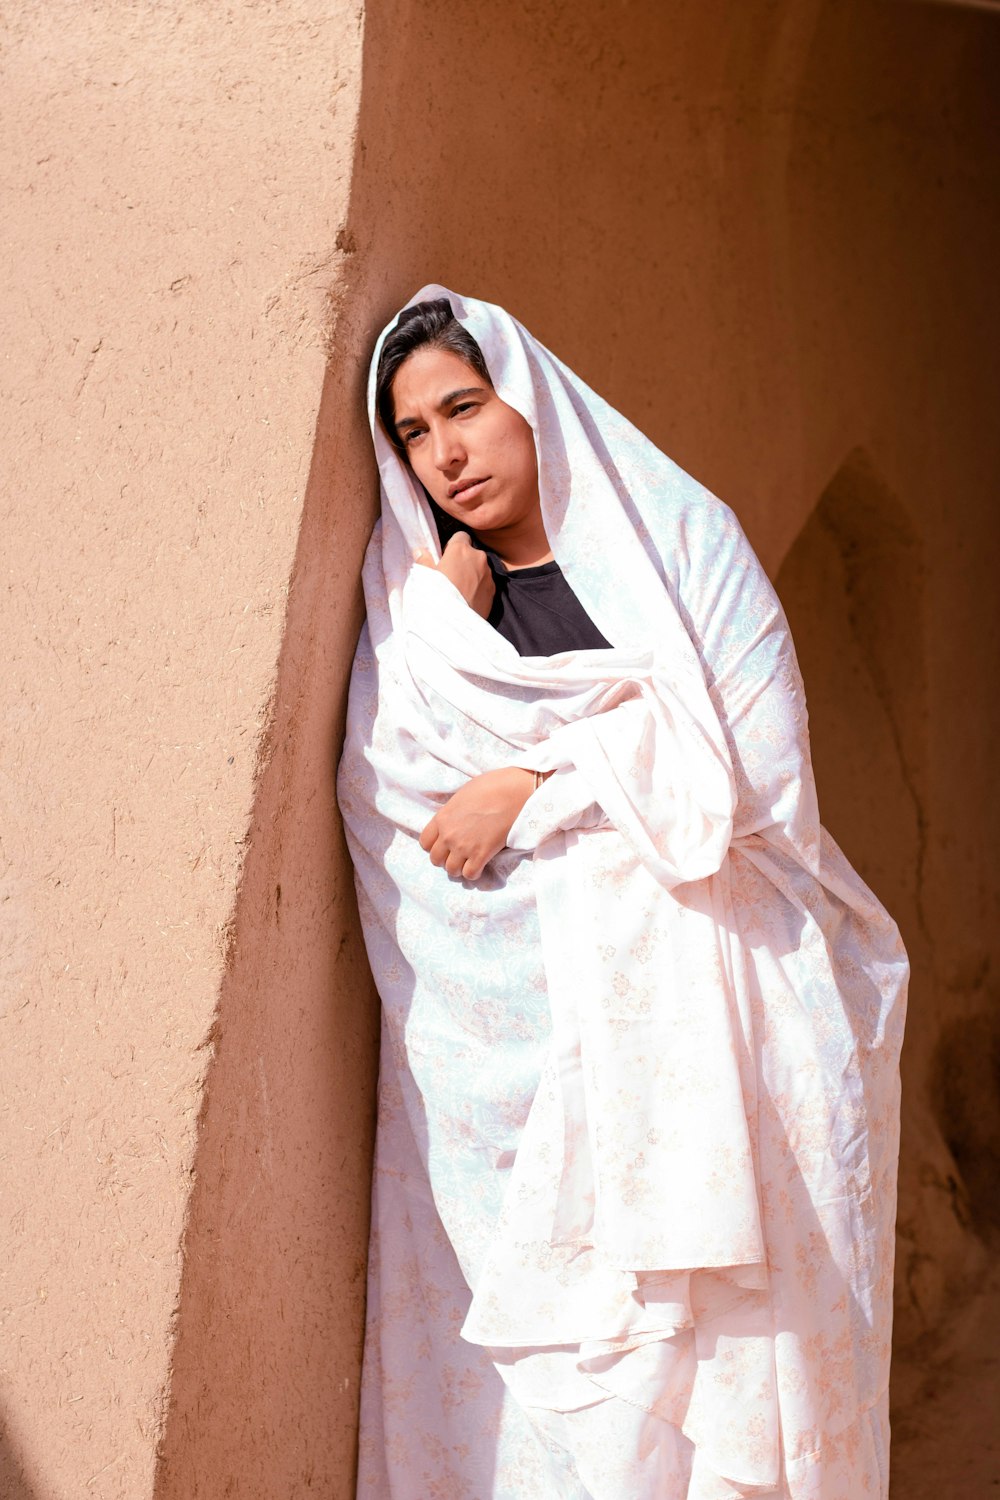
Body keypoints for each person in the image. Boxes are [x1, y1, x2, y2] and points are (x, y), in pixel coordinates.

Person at [337, 287, 908, 1500]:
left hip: (728, 1042)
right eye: (413, 435)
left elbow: (753, 785)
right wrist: (450, 633)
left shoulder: (682, 545)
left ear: (529, 405)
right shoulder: (429, 620)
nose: (446, 452)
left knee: (733, 1399)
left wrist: (529, 788)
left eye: (465, 408)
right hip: (533, 1078)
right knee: (575, 1422)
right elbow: (408, 819)